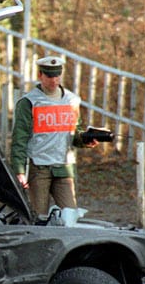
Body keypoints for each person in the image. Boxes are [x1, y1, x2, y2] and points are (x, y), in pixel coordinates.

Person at [10, 56, 98, 221]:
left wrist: (85, 140)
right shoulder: (29, 102)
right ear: (40, 75)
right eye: (50, 76)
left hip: (63, 166)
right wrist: (19, 170)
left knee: (70, 217)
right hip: (39, 167)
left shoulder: (72, 100)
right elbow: (19, 138)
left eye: (57, 75)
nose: (54, 80)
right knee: (38, 218)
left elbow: (74, 132)